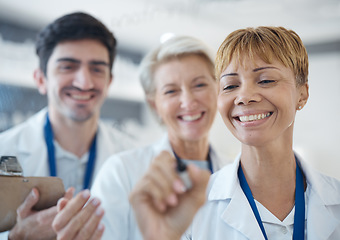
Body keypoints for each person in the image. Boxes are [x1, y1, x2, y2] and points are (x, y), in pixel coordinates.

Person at [129, 26, 340, 240]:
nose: (244, 96)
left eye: (266, 80)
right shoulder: (191, 210)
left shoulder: (336, 201)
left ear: (302, 94)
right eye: (230, 86)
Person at [51, 35, 226, 239]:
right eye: (171, 91)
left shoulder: (236, 173)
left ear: (217, 90)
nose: (188, 101)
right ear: (154, 105)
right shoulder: (121, 172)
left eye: (199, 85)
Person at [0, 12, 133, 240]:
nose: (84, 82)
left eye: (97, 68)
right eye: (68, 67)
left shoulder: (134, 160)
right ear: (41, 79)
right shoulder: (4, 149)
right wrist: (16, 238)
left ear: (109, 81)